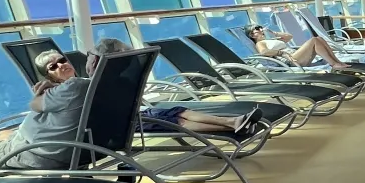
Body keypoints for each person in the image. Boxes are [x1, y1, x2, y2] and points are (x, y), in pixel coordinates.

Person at [89, 38, 262, 137]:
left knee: (178, 112)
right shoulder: (118, 81)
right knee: (176, 119)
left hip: (133, 118)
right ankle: (233, 125)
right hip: (129, 122)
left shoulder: (97, 84)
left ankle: (233, 122)